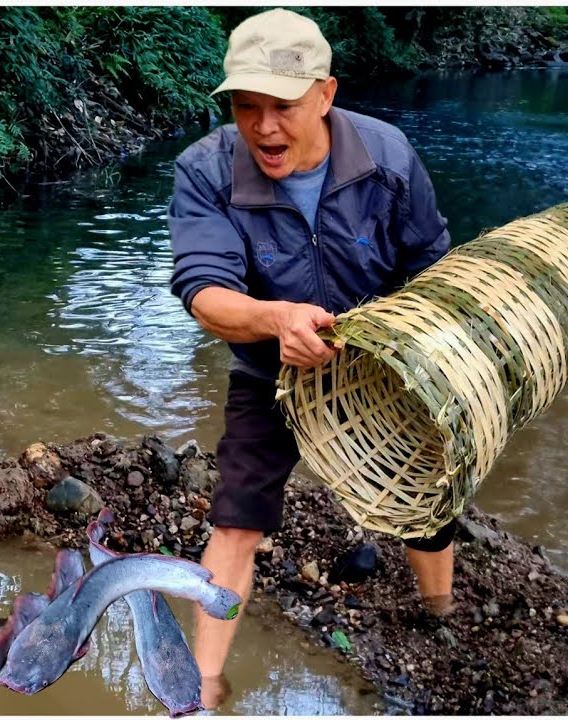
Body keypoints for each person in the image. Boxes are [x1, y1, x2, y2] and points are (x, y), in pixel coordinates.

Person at [167, 8, 459, 708]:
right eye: (247, 107)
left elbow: (433, 266)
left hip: (385, 373)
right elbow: (203, 292)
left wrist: (414, 351)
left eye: (284, 107)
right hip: (270, 371)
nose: (264, 128)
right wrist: (275, 319)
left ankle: (440, 611)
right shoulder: (205, 170)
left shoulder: (386, 157)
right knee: (236, 517)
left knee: (425, 501)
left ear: (325, 95)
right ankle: (201, 688)